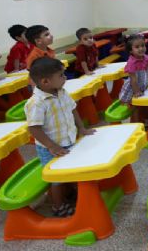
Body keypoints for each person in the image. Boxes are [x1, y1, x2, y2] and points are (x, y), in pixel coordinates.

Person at [25, 57, 95, 217]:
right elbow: (34, 128)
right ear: (45, 81)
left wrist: (82, 128)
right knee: (56, 179)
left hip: (68, 141)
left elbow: (73, 109)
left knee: (71, 170)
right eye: (62, 75)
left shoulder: (61, 92)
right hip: (51, 149)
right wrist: (51, 146)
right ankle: (58, 206)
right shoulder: (36, 103)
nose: (65, 78)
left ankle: (71, 192)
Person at [118, 34, 148, 123]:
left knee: (145, 104)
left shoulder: (144, 57)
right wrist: (137, 92)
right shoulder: (132, 63)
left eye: (142, 45)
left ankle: (146, 119)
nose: (141, 48)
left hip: (142, 85)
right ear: (131, 50)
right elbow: (133, 81)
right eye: (137, 47)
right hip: (133, 89)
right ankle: (135, 124)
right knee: (135, 107)